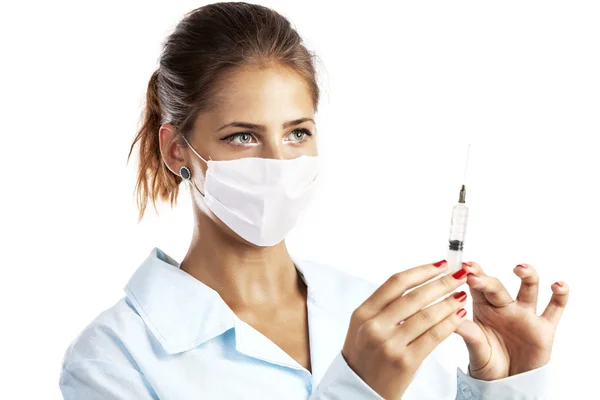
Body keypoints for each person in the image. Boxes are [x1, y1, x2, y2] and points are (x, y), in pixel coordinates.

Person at [58, 2, 569, 399]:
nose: (280, 162)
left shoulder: (365, 308)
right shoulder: (114, 358)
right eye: (242, 136)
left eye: (298, 133)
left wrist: (507, 383)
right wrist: (359, 387)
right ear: (176, 150)